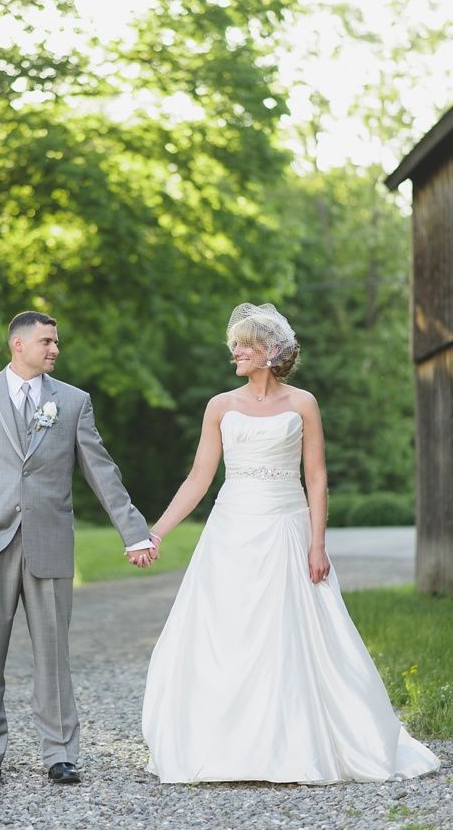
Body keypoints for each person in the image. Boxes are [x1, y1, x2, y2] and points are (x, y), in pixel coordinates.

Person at [142, 302, 439, 783]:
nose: (235, 352)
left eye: (244, 345)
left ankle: (291, 744)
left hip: (287, 527)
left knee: (286, 631)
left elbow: (316, 477)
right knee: (227, 630)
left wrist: (316, 544)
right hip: (231, 531)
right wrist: (156, 531)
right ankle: (223, 747)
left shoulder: (303, 404)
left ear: (269, 351)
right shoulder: (220, 406)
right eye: (235, 345)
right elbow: (199, 478)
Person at [0, 311, 156, 787]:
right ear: (18, 344)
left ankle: (60, 754)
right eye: (47, 341)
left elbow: (101, 471)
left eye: (56, 342)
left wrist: (134, 532)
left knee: (53, 656)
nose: (55, 349)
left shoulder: (73, 402)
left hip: (50, 544)